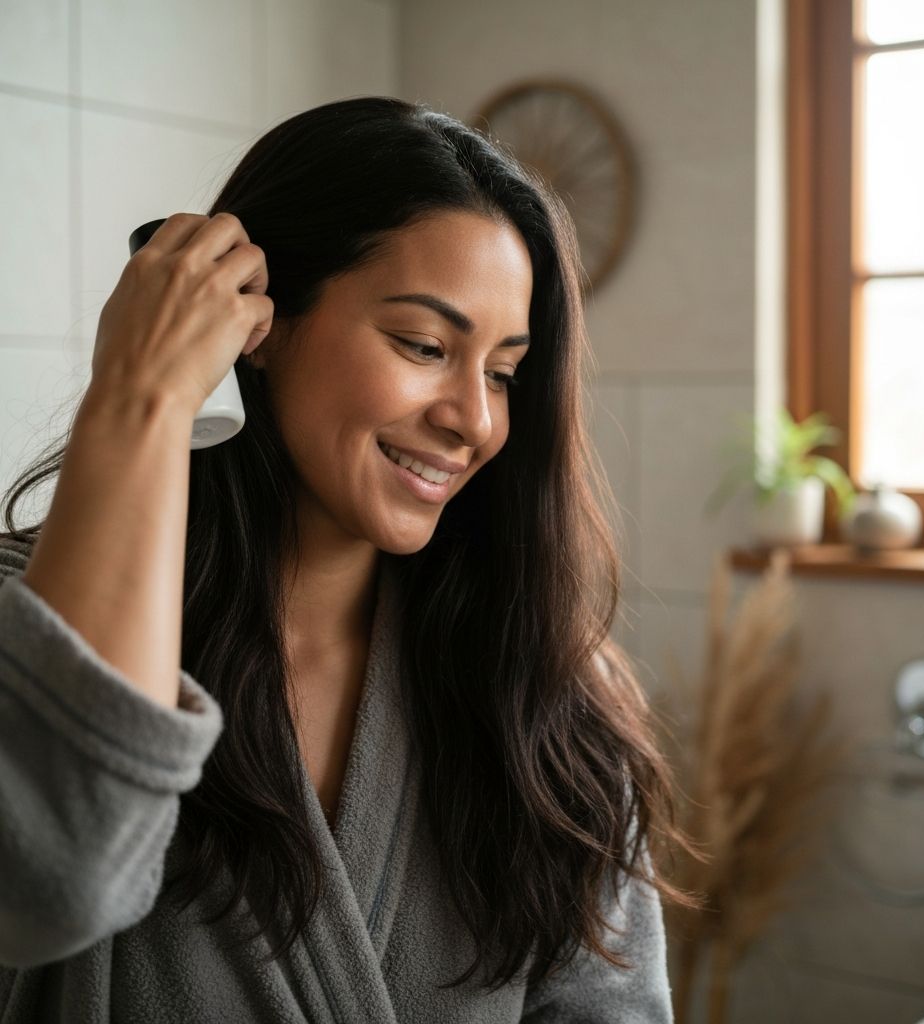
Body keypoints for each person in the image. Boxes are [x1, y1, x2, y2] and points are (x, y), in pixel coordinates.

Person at [0, 97, 696, 1022]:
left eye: (501, 373)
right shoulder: (24, 624)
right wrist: (144, 395)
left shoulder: (545, 693)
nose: (475, 421)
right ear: (262, 324)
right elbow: (50, 879)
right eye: (423, 345)